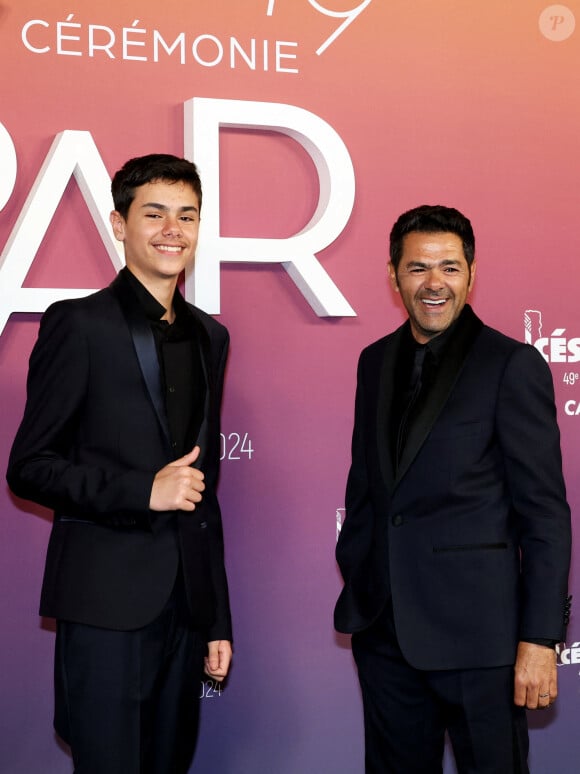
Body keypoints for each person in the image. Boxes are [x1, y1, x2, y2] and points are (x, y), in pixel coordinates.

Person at [7, 154, 232, 774]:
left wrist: (216, 616)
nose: (172, 230)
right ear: (118, 223)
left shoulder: (211, 338)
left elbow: (203, 492)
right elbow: (28, 466)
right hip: (105, 603)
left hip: (185, 607)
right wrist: (142, 490)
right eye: (154, 213)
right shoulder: (78, 324)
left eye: (187, 216)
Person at [334, 204, 571, 773]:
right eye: (418, 269)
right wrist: (360, 571)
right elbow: (367, 487)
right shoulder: (374, 362)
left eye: (449, 267)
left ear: (471, 272)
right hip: (386, 633)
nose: (434, 283)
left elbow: (544, 514)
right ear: (394, 275)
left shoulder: (511, 365)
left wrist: (539, 640)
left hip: (481, 641)